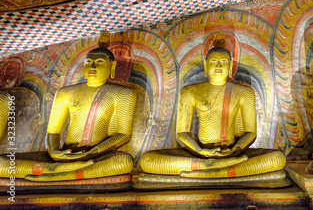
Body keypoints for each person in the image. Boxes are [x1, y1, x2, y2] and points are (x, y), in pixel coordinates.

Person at [140, 32, 285, 178]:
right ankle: (212, 167)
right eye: (214, 62)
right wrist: (201, 151)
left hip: (232, 152)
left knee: (277, 158)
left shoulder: (244, 92)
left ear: (230, 67)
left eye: (224, 62)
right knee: (148, 160)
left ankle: (213, 170)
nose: (219, 66)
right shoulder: (190, 91)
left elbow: (251, 132)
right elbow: (181, 133)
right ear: (205, 65)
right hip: (200, 153)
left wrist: (234, 150)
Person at [0, 31, 137, 181]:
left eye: (99, 63)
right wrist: (53, 151)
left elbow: (124, 135)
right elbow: (53, 132)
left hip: (98, 156)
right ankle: (60, 170)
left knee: (124, 162)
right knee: (3, 163)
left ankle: (56, 174)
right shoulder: (66, 93)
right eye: (88, 62)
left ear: (112, 66)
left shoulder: (124, 94)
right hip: (66, 153)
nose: (92, 66)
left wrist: (92, 152)